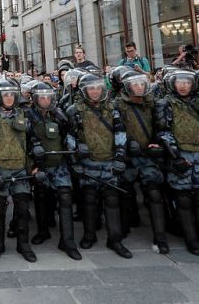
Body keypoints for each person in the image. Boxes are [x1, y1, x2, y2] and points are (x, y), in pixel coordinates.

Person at [65, 73, 132, 258]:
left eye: (98, 88)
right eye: (91, 88)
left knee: (111, 200)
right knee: (89, 201)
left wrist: (119, 157)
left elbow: (120, 134)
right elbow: (71, 138)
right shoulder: (74, 110)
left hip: (109, 161)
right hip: (88, 163)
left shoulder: (113, 108)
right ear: (84, 90)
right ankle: (89, 234)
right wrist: (75, 160)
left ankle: (115, 239)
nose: (95, 91)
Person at [156, 70, 199, 256]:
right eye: (180, 82)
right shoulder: (165, 103)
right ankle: (191, 238)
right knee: (183, 199)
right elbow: (163, 130)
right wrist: (175, 156)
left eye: (187, 82)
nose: (183, 86)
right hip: (181, 154)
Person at [0, 79, 40, 263]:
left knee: (22, 209)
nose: (9, 97)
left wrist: (35, 164)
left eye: (11, 94)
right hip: (1, 169)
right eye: (5, 94)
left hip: (21, 169)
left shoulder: (25, 114)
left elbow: (33, 141)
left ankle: (23, 244)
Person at [114, 71, 168, 254]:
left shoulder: (152, 104)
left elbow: (161, 126)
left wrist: (157, 141)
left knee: (154, 193)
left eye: (141, 83)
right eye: (135, 84)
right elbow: (117, 128)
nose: (139, 87)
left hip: (148, 155)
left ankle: (160, 236)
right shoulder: (118, 105)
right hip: (128, 156)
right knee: (124, 192)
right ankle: (123, 228)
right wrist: (128, 143)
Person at [26, 82, 81, 260]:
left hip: (59, 163)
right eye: (41, 97)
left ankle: (68, 240)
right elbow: (23, 143)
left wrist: (73, 155)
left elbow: (69, 136)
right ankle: (43, 231)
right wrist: (31, 165)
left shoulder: (59, 115)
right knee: (41, 196)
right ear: (35, 99)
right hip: (39, 165)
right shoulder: (27, 116)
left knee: (65, 197)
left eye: (48, 96)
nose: (45, 100)